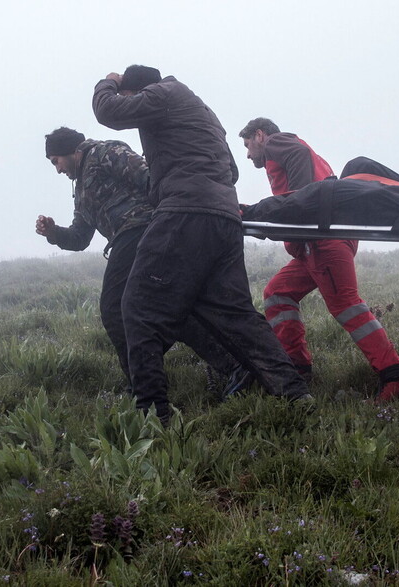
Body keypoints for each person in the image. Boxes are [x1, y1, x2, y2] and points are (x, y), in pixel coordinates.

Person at [91, 66, 311, 422]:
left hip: (184, 214)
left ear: (138, 90)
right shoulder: (202, 112)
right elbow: (232, 171)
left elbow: (108, 112)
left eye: (132, 99)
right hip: (222, 217)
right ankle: (295, 393)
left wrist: (110, 83)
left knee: (136, 307)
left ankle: (152, 415)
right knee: (236, 314)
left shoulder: (162, 94)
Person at [35, 127, 249, 396]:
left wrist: (175, 220)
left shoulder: (105, 152)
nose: (57, 169)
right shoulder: (80, 190)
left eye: (56, 161)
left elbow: (151, 178)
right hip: (129, 238)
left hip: (144, 230)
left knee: (114, 309)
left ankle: (142, 386)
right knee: (168, 310)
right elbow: (80, 238)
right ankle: (233, 366)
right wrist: (54, 233)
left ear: (72, 151)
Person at [238, 118, 399, 403]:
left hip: (324, 242)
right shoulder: (290, 157)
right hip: (317, 243)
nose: (248, 154)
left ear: (260, 136)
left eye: (248, 145)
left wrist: (298, 200)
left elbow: (299, 188)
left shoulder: (278, 143)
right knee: (278, 293)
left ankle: (397, 376)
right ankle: (297, 369)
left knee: (346, 306)